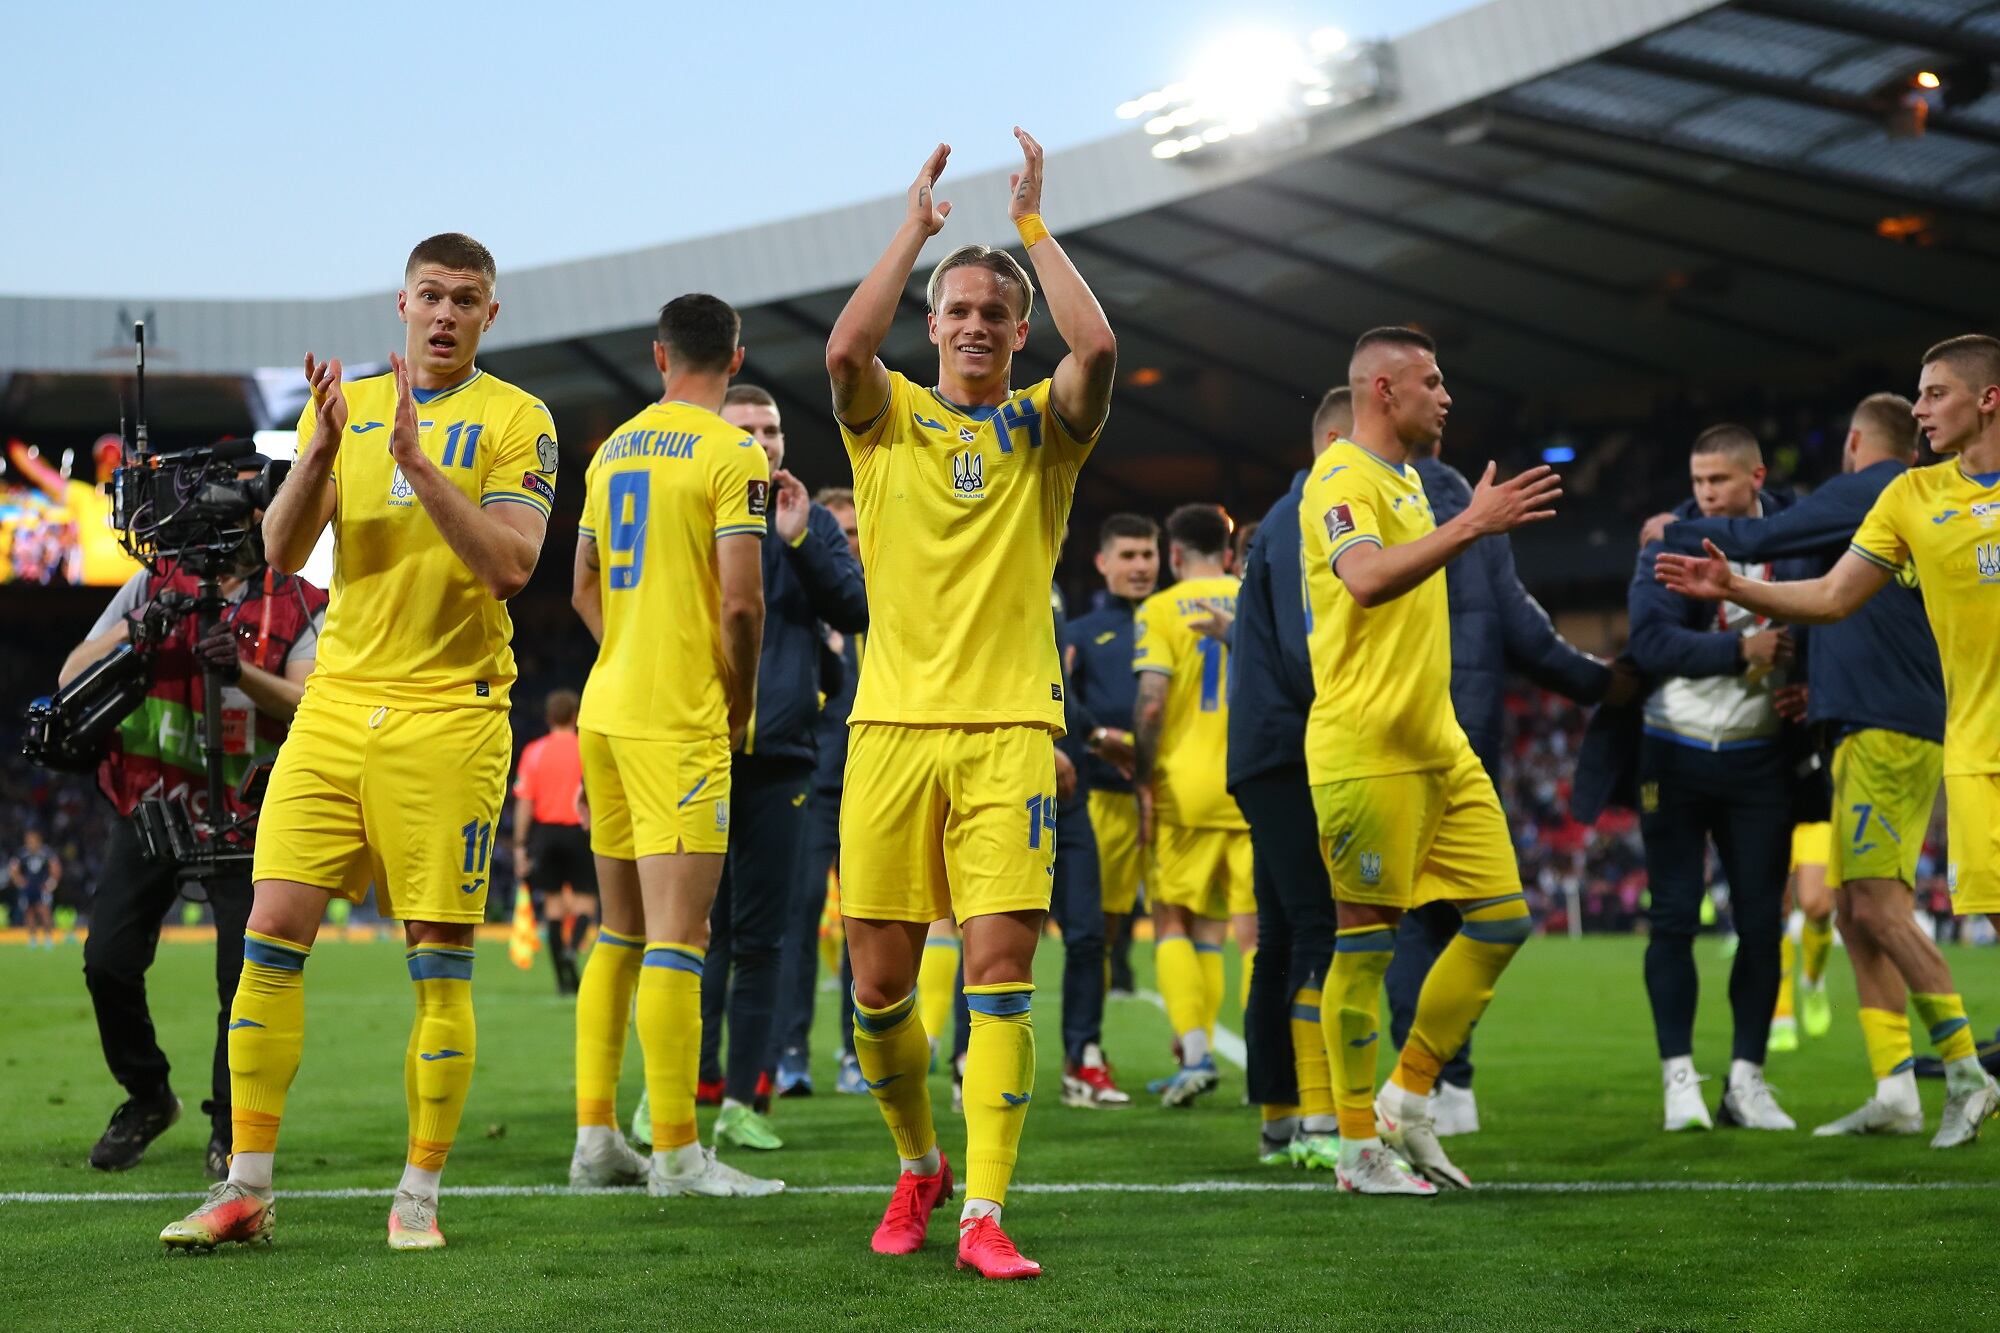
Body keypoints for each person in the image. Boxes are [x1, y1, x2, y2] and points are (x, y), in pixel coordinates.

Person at [161, 232, 559, 1252]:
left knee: (438, 960)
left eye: (465, 300)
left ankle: (417, 1195)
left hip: (452, 716)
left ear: (488, 317)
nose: (444, 313)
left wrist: (421, 468)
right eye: (430, 295)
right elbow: (282, 555)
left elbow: (510, 567)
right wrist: (327, 451)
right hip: (337, 704)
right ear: (401, 303)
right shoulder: (351, 407)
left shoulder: (521, 419)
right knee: (268, 935)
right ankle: (246, 1184)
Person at [822, 131, 1115, 1277]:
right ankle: (916, 1163)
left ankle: (984, 1211)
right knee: (880, 990)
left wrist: (1034, 226)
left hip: (1007, 734)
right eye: (959, 310)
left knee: (997, 971)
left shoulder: (1044, 431)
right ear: (932, 324)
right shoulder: (886, 418)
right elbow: (846, 346)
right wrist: (916, 231)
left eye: (998, 312)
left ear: (1016, 330)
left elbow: (1099, 344)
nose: (978, 325)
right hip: (888, 731)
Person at [1657, 371, 2000, 1147]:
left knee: (1877, 905)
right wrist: (1814, 681)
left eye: (1937, 392)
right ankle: (1895, 1089)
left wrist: (1672, 530)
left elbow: (1769, 536)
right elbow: (1839, 598)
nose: (1923, 408)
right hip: (1868, 721)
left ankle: (1970, 1074)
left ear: (1853, 444)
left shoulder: (1883, 485)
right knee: (1851, 910)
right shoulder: (1912, 503)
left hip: (1891, 727)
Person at [1298, 326, 1558, 1195]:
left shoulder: (1409, 480)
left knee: (1502, 921)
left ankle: (1409, 1092)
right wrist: (1472, 525)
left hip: (1440, 747)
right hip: (1368, 751)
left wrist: (1462, 523)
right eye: (1432, 382)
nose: (1446, 397)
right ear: (1383, 389)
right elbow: (1364, 578)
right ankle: (1357, 1146)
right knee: (1365, 950)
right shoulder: (1340, 476)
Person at [565, 294, 781, 1200]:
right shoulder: (732, 452)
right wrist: (736, 699)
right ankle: (680, 1158)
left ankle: (595, 1139)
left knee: (619, 931)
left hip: (605, 710)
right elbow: (741, 602)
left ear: (659, 356)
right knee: (681, 938)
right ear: (735, 358)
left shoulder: (613, 448)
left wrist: (628, 648)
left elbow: (580, 587)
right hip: (677, 719)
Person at [62, 470, 325, 1179]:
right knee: (107, 962)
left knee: (242, 977)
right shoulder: (154, 585)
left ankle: (230, 1128)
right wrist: (136, 638)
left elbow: (310, 703)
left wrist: (239, 671)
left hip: (248, 810)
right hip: (153, 804)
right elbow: (70, 676)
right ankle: (148, 1096)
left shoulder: (302, 600)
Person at [1385, 424, 1623, 1136]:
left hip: (1391, 736)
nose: (1447, 398)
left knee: (1399, 925)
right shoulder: (1465, 496)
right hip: (1472, 734)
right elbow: (1527, 634)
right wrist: (1607, 684)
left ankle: (1402, 1089)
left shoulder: (1365, 495)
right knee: (1479, 917)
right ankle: (1449, 1084)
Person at [684, 383, 866, 1152]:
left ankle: (746, 1098)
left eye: (772, 429)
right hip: (695, 749)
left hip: (783, 756)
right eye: (746, 429)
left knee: (765, 936)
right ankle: (687, 1087)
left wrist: (796, 540)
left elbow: (857, 609)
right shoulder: (688, 513)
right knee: (693, 932)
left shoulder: (812, 520)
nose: (763, 441)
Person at [1628, 425, 1819, 1133]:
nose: (1704, 493)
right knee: (1674, 916)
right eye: (1697, 480)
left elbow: (1838, 607)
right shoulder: (1668, 541)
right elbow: (1650, 642)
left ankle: (1747, 1081)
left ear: (1757, 477)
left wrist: (1810, 683)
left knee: (1762, 924)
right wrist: (1742, 650)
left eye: (1719, 481)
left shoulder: (1798, 534)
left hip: (1761, 758)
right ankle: (1679, 1079)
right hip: (1671, 752)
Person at [1223, 389, 1348, 1171]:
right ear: (1335, 438)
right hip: (1292, 744)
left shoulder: (1277, 519)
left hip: (1262, 746)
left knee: (1278, 936)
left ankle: (1277, 1116)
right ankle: (1318, 1118)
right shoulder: (1307, 516)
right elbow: (1309, 647)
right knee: (1318, 926)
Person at [1133, 503, 1254, 1108]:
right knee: (1247, 932)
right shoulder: (1253, 596)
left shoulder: (1158, 610)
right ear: (1228, 553)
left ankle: (1198, 1053)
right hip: (1252, 782)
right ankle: (1274, 1066)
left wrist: (1143, 776)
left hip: (1185, 787)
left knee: (1172, 918)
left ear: (1174, 555)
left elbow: (1152, 703)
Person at [767, 487, 866, 1098]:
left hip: (876, 780)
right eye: (845, 535)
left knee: (869, 925)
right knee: (799, 918)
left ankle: (859, 1054)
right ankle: (790, 1052)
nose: (853, 546)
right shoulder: (807, 596)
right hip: (813, 778)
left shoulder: (886, 596)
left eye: (859, 534)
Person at [1066, 514, 1160, 996]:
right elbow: (1064, 700)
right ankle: (1091, 1039)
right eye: (1128, 555)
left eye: (1148, 554)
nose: (1140, 565)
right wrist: (1099, 737)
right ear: (1103, 563)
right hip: (1105, 795)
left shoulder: (1177, 619)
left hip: (1172, 793)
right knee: (1098, 923)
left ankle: (1192, 1044)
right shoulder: (1081, 632)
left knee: (1180, 921)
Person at [1050, 582, 1127, 1109]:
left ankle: (1083, 1058)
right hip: (1004, 780)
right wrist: (1040, 741)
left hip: (1069, 787)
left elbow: (1057, 687)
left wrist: (1092, 737)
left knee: (1086, 933)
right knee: (994, 930)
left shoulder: (1052, 592)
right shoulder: (986, 566)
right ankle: (969, 1061)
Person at [512, 689, 594, 995]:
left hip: (546, 834)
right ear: (575, 716)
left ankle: (563, 980)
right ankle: (573, 948)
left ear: (548, 717)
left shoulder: (534, 752)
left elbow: (524, 803)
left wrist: (521, 845)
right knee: (585, 903)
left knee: (554, 908)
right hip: (579, 830)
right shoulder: (585, 749)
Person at [9, 828, 59, 949]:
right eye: (28, 840)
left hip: (42, 888)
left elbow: (55, 867)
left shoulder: (47, 853)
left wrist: (51, 883)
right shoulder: (22, 853)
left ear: (38, 840)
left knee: (44, 911)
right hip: (27, 888)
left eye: (32, 840)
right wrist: (19, 881)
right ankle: (32, 939)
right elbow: (13, 868)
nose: (30, 843)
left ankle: (48, 938)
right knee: (29, 913)